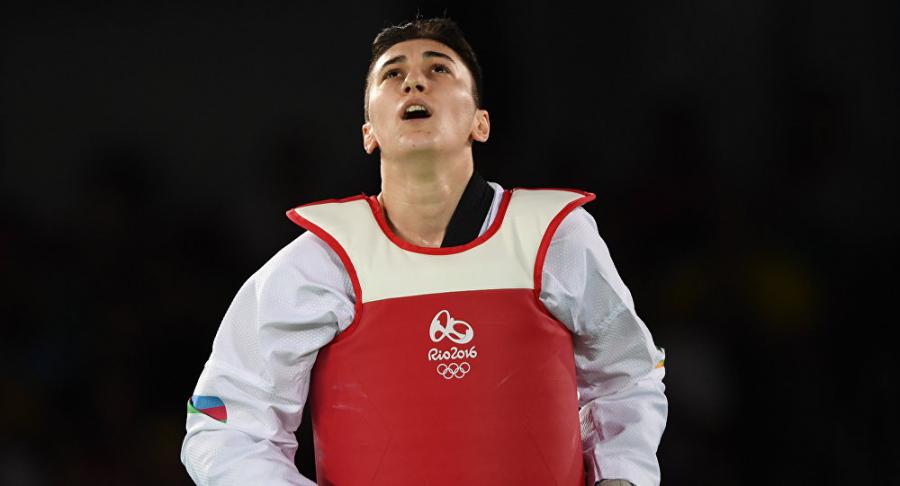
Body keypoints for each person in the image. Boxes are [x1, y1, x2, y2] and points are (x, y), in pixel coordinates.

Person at [181, 16, 667, 486]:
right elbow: (223, 426)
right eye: (393, 74)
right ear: (369, 132)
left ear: (480, 122)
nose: (414, 81)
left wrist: (622, 476)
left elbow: (629, 375)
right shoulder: (320, 262)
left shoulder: (556, 238)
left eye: (439, 68)